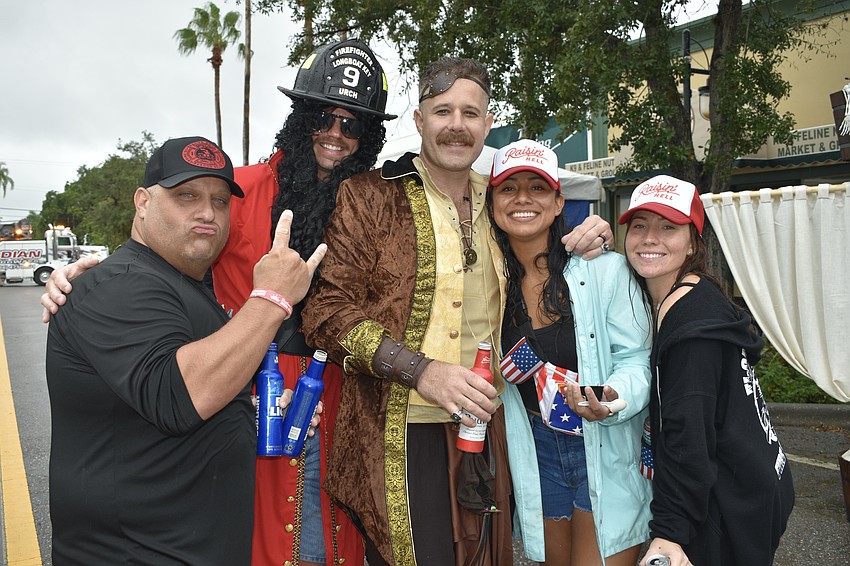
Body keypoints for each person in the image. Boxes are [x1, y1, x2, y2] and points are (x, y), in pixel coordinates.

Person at [41, 39, 395, 566]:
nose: (336, 135)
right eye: (324, 116)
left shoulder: (379, 203)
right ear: (301, 116)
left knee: (333, 544)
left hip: (341, 396)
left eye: (354, 124)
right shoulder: (238, 190)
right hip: (239, 389)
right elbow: (168, 248)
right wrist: (83, 276)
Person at [301, 59, 614, 565]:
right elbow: (326, 311)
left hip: (493, 424)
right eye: (442, 110)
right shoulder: (370, 195)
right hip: (398, 428)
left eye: (471, 113)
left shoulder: (503, 198)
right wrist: (420, 371)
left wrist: (593, 237)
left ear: (488, 124)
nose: (457, 124)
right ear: (420, 121)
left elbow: (549, 262)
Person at [45, 136, 326, 564]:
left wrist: (252, 413)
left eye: (219, 200)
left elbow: (155, 410)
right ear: (142, 202)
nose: (206, 212)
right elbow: (179, 397)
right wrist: (272, 299)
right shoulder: (119, 285)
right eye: (185, 195)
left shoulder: (184, 287)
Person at [487, 139, 652, 566]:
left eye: (537, 188)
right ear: (492, 202)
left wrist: (614, 397)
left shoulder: (604, 269)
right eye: (509, 188)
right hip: (537, 449)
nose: (523, 198)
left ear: (559, 202)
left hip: (603, 444)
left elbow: (636, 358)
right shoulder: (485, 284)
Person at [617, 175, 794, 566]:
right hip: (758, 478)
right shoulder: (695, 292)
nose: (649, 238)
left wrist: (670, 532)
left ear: (693, 241)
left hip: (730, 501)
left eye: (668, 227)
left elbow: (688, 432)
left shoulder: (692, 326)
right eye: (640, 225)